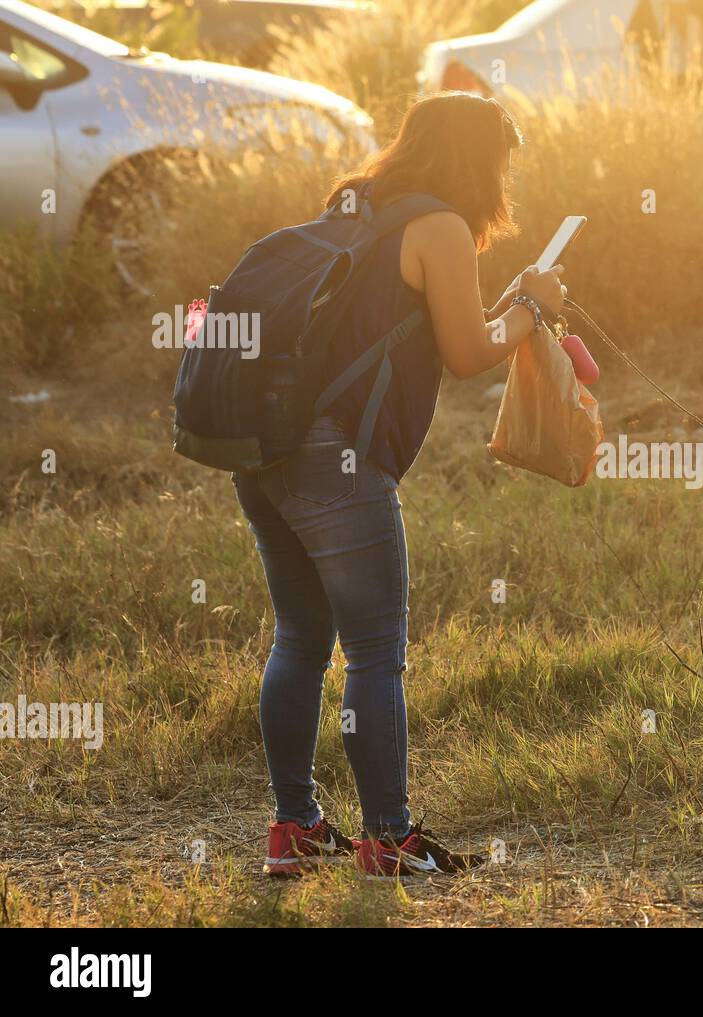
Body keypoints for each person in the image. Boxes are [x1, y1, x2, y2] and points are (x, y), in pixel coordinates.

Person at [234, 92, 566, 878]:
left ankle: (297, 828)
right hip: (337, 462)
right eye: (502, 162)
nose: (505, 178)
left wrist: (508, 306)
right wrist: (532, 307)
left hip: (267, 449)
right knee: (376, 653)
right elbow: (469, 350)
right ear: (477, 159)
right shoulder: (443, 225)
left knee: (299, 640)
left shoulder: (353, 204)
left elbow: (424, 325)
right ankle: (388, 836)